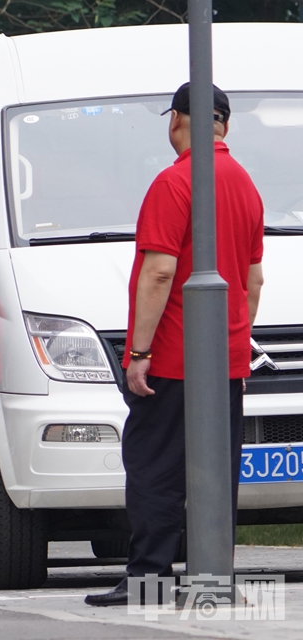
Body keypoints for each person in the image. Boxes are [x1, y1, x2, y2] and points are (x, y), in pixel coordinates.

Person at [85, 83, 264, 607]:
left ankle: (150, 578)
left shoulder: (174, 182)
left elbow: (160, 271)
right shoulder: (246, 186)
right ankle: (212, 576)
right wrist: (234, 340)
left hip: (171, 358)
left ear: (177, 121)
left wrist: (139, 353)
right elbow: (253, 282)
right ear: (224, 126)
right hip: (226, 360)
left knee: (153, 468)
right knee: (216, 471)